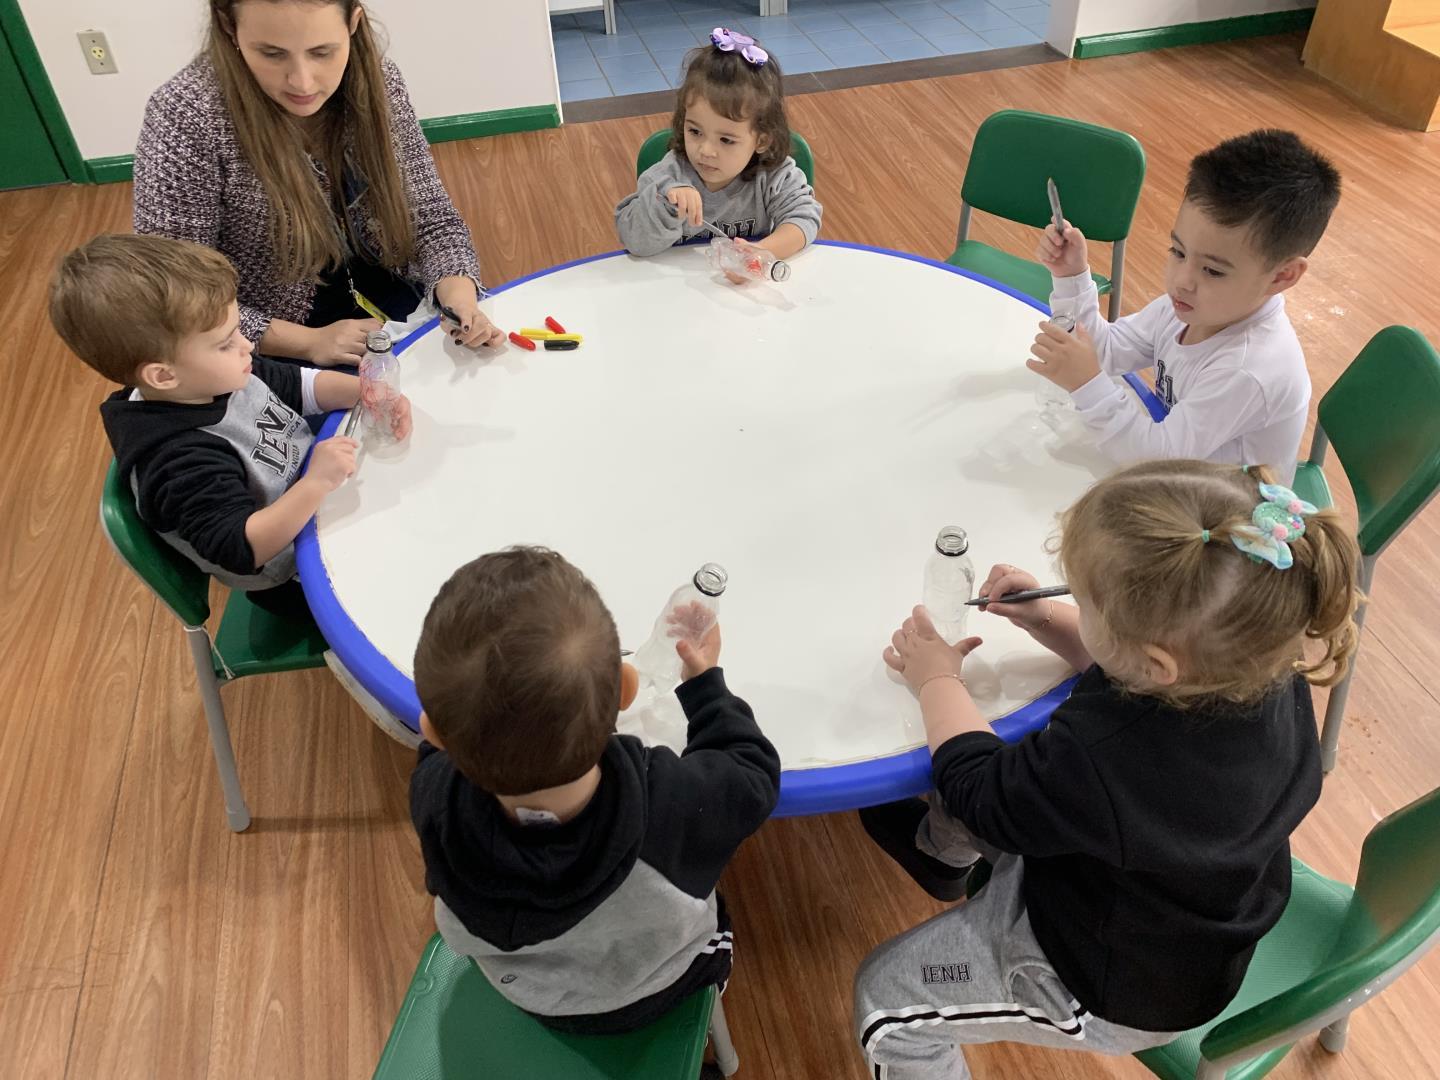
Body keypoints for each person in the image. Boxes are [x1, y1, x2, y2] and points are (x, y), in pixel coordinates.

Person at [853, 458, 1361, 1080]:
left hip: (1109, 979)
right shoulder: (1259, 670)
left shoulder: (1101, 760)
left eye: (1083, 601)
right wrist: (1044, 617)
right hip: (1182, 904)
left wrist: (935, 680)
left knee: (887, 999)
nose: (1067, 602)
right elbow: (1126, 671)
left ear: (1153, 662)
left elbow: (978, 790)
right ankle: (941, 859)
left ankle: (944, 864)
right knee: (992, 756)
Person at [409, 547, 781, 1034]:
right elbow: (753, 773)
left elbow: (460, 739)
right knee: (716, 910)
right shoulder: (670, 806)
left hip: (526, 990)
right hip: (653, 987)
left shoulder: (433, 795)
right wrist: (706, 687)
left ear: (432, 733)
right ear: (626, 688)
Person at [49, 234, 410, 614]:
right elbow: (242, 547)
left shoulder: (211, 378)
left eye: (238, 329)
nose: (247, 345)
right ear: (163, 375)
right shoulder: (177, 461)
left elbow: (299, 385)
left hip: (321, 498)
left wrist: (367, 392)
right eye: (225, 343)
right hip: (296, 576)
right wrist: (315, 484)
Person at [134, 0, 503, 367]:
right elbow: (174, 291)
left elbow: (431, 219)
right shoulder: (185, 115)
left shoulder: (379, 81)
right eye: (272, 54)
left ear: (353, 24)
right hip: (258, 337)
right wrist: (305, 343)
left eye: (323, 52)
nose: (302, 81)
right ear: (229, 27)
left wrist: (459, 296)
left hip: (382, 294)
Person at [1029, 130, 1341, 484]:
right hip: (1185, 478)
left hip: (1226, 521)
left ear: (1282, 276)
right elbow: (1106, 351)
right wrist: (1072, 276)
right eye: (1178, 252)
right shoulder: (1187, 307)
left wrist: (1087, 385)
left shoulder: (1248, 369)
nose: (1183, 279)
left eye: (1213, 270)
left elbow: (1153, 461)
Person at [615, 27, 821, 276]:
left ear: (762, 140)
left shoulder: (774, 176)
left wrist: (759, 253)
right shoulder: (668, 177)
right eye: (695, 132)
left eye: (726, 140)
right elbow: (634, 242)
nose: (705, 150)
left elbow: (804, 219)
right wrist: (668, 206)